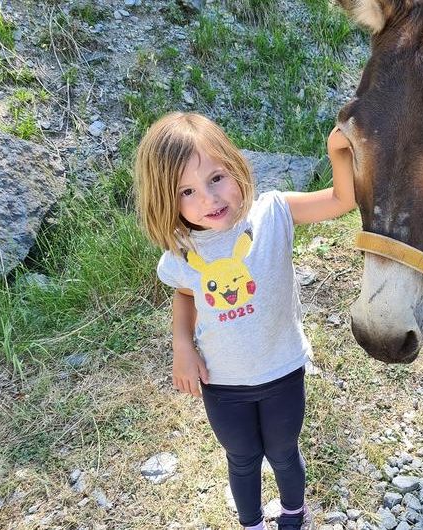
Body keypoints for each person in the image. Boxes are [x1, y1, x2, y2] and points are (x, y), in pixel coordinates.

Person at [134, 112, 355, 530]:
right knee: (242, 458)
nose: (209, 199)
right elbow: (185, 296)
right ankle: (251, 523)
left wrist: (337, 153)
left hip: (281, 372)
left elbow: (343, 200)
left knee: (284, 452)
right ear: (166, 199)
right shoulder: (182, 251)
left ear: (235, 166)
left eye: (216, 178)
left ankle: (294, 516)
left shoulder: (273, 213)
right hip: (222, 383)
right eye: (187, 190)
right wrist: (182, 345)